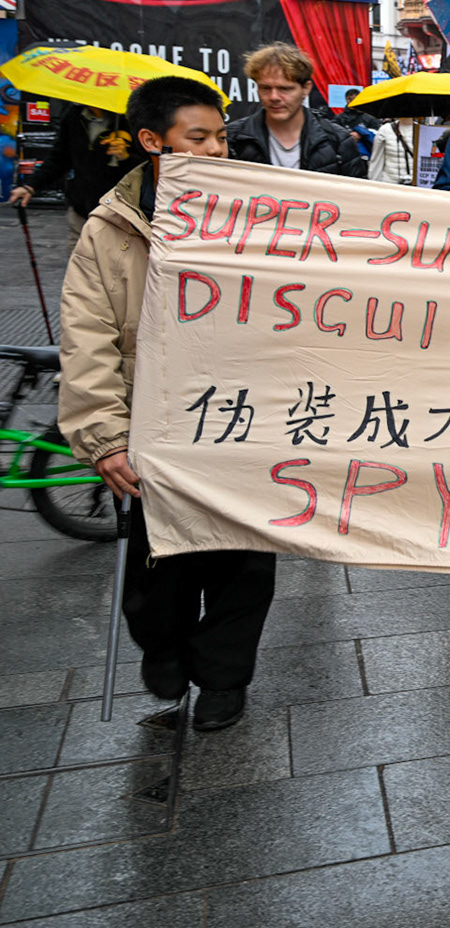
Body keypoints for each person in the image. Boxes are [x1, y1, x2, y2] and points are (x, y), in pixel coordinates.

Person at [60, 76, 276, 731]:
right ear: (154, 141)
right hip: (154, 432)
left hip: (242, 426)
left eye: (222, 137)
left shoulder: (261, 212)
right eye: (198, 138)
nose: (217, 151)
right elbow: (87, 333)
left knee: (241, 568)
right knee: (159, 581)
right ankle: (167, 667)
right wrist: (106, 436)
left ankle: (223, 681)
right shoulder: (110, 227)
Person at [7, 102, 142, 248]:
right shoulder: (74, 116)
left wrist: (126, 157)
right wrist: (31, 186)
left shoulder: (133, 118)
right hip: (81, 209)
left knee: (114, 266)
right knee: (78, 265)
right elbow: (59, 159)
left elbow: (149, 164)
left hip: (120, 213)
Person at [226, 45, 368, 177]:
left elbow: (356, 198)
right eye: (265, 88)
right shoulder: (233, 138)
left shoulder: (338, 141)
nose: (274, 97)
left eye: (285, 89)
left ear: (306, 88)